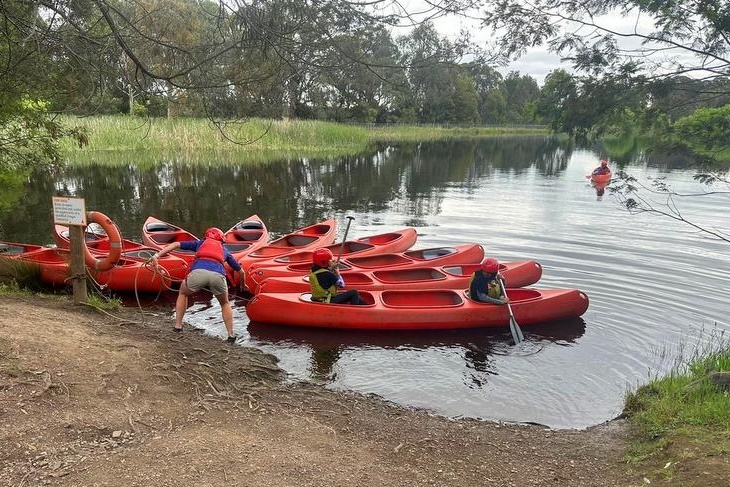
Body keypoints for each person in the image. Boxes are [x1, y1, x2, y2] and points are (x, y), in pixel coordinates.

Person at [151, 227, 245, 343]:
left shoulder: (199, 243)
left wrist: (156, 256)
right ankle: (231, 335)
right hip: (218, 275)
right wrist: (242, 286)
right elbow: (241, 272)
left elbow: (175, 244)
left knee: (183, 292)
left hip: (198, 273)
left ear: (206, 237)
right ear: (221, 240)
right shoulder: (224, 250)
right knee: (225, 303)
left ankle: (178, 326)